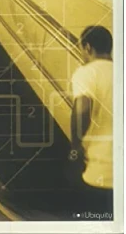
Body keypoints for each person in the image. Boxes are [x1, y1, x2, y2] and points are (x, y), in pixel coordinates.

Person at [70, 25, 113, 215]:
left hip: (98, 173)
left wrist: (75, 146)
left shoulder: (87, 72)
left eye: (81, 48)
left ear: (87, 47)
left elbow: (82, 109)